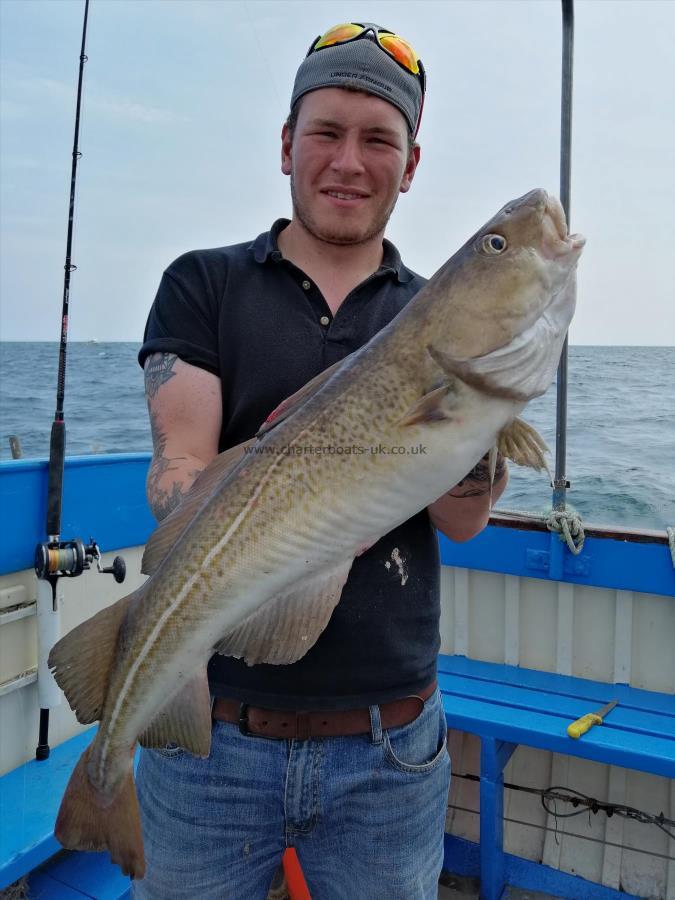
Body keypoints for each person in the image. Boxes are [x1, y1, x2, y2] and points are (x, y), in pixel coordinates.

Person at [137, 22, 507, 899]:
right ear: (285, 146)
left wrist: (480, 405)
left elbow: (463, 518)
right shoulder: (204, 284)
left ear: (409, 164)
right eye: (326, 132)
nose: (349, 160)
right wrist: (282, 505)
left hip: (390, 749)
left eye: (378, 138)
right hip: (212, 747)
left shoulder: (430, 314)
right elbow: (177, 471)